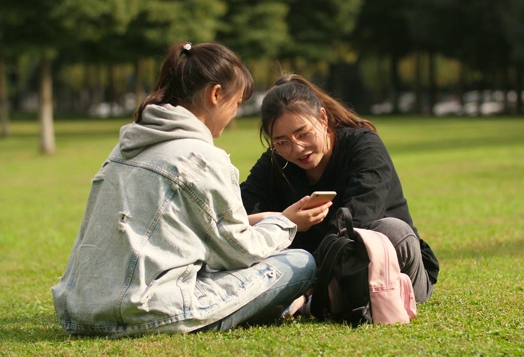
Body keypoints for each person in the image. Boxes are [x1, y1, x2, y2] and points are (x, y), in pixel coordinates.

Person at [51, 43, 332, 337]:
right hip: (145, 312)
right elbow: (239, 253)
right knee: (299, 262)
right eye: (236, 103)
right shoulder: (201, 157)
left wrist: (259, 220)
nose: (235, 114)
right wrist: (285, 223)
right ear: (216, 94)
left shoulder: (124, 147)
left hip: (80, 311)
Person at [240, 74, 440, 304]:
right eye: (282, 142)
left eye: (303, 133)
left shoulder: (364, 147)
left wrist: (308, 279)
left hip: (381, 264)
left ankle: (314, 299)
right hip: (314, 271)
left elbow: (356, 223)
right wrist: (281, 219)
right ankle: (324, 299)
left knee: (391, 231)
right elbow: (236, 214)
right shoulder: (275, 163)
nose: (297, 148)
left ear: (323, 118)